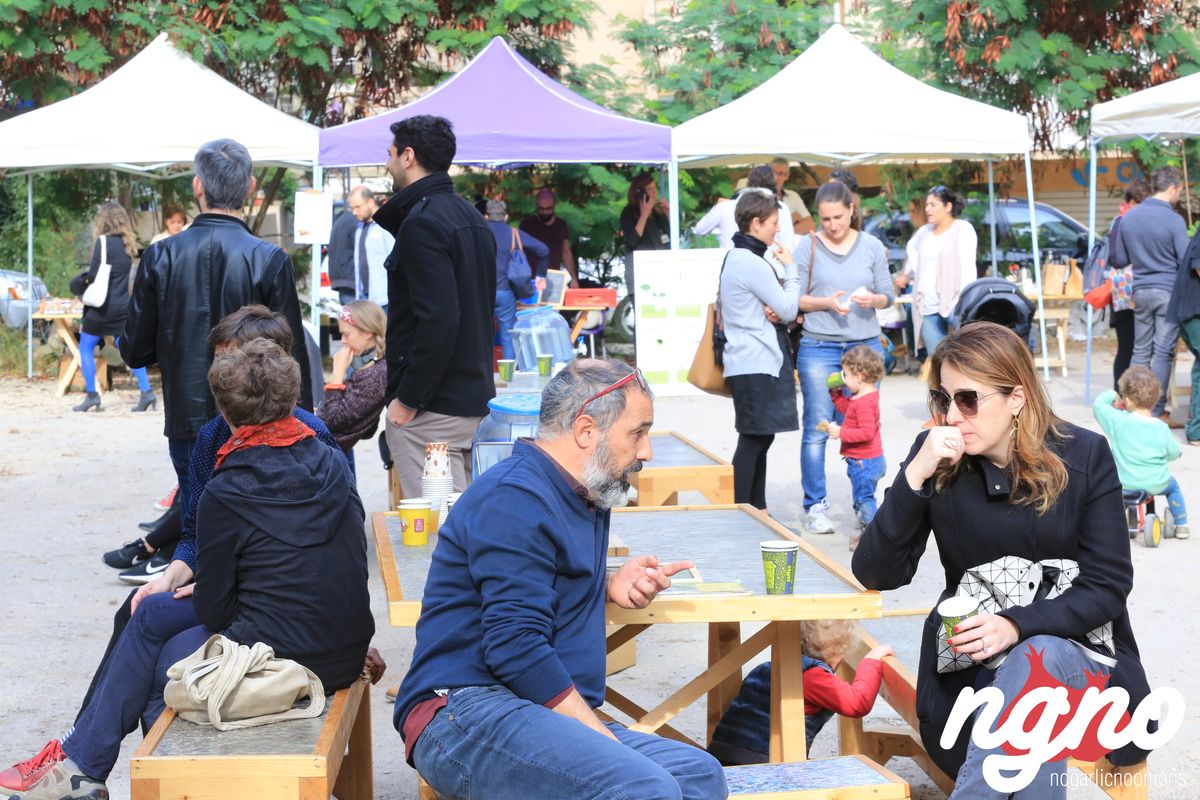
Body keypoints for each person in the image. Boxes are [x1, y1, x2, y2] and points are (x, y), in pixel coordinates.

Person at [0, 339, 378, 800]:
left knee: (163, 664)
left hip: (286, 662)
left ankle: (110, 772)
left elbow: (217, 611)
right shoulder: (332, 462)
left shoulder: (230, 488)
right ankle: (87, 769)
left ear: (225, 412)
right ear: (293, 400)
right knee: (151, 613)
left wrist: (214, 585)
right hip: (341, 641)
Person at [395, 359, 727, 800]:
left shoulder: (584, 490)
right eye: (637, 432)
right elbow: (515, 647)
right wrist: (602, 738)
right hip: (464, 709)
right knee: (645, 786)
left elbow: (534, 577)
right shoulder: (515, 497)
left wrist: (605, 583)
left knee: (700, 774)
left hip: (527, 709)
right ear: (587, 430)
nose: (646, 451)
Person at [852, 321, 1153, 796]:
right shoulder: (935, 458)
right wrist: (915, 474)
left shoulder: (1084, 454)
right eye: (941, 399)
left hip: (1084, 660)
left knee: (1039, 657)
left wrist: (1015, 625)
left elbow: (1108, 584)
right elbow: (875, 571)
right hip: (971, 668)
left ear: (1016, 398)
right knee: (1034, 709)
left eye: (968, 399)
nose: (952, 416)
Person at [89, 306, 351, 704]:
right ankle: (89, 741)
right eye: (219, 360)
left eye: (232, 360)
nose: (222, 373)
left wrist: (210, 585)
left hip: (266, 606)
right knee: (136, 608)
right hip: (229, 593)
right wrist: (172, 575)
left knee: (158, 653)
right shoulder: (211, 437)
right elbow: (194, 531)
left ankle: (105, 752)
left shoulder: (313, 436)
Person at [121, 138, 313, 555]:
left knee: (199, 522)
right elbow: (290, 356)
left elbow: (133, 350)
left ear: (197, 187)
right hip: (257, 417)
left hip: (189, 415)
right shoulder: (267, 257)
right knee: (256, 526)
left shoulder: (160, 256)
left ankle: (203, 604)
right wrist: (307, 424)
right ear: (248, 187)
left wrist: (171, 342)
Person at [375, 115, 496, 500]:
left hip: (434, 409)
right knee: (462, 527)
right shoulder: (468, 217)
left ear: (408, 156)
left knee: (437, 532)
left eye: (391, 154)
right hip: (469, 396)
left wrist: (407, 401)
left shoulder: (424, 222)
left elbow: (440, 320)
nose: (387, 162)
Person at [790, 179, 894, 534]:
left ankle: (863, 503)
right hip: (818, 347)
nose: (832, 225)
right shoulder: (807, 246)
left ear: (852, 209)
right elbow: (795, 300)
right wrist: (826, 303)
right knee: (819, 426)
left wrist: (873, 300)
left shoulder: (872, 246)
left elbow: (889, 296)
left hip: (863, 348)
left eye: (838, 217)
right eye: (825, 219)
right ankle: (815, 505)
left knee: (862, 426)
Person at [708, 619, 894, 765]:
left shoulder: (765, 668)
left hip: (719, 756)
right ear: (840, 655)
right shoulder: (813, 677)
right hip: (763, 762)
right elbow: (857, 703)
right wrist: (872, 660)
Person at [719, 190, 800, 512]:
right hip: (753, 362)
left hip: (749, 361)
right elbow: (788, 309)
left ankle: (757, 508)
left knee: (760, 438)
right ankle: (741, 510)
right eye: (773, 223)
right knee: (753, 440)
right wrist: (791, 269)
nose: (777, 229)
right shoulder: (749, 262)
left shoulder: (738, 257)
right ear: (756, 223)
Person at [1111, 166, 1189, 427]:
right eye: (1179, 190)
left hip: (1140, 291)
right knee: (1163, 352)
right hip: (1168, 292)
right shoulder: (1175, 220)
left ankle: (1133, 407)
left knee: (1140, 349)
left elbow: (1119, 259)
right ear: (1172, 188)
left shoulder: (1129, 218)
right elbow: (1185, 260)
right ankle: (1155, 412)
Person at [69, 201, 154, 414]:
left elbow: (94, 276)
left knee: (85, 348)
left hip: (101, 308)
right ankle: (147, 392)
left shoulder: (103, 243)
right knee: (128, 350)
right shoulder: (128, 245)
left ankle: (92, 396)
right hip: (122, 307)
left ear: (103, 220)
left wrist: (79, 283)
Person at [1094, 366, 1189, 538]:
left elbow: (1099, 405)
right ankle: (1182, 525)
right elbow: (1173, 452)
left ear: (1127, 400)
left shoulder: (1118, 421)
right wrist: (1176, 454)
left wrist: (1114, 395)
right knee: (1173, 488)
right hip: (1156, 482)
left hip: (1124, 483)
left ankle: (1112, 524)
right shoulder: (1160, 427)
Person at [898, 185, 978, 358]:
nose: (927, 209)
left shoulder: (963, 229)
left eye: (933, 205)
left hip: (954, 304)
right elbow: (912, 252)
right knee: (937, 359)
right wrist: (911, 275)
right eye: (927, 205)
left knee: (962, 357)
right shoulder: (923, 232)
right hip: (927, 307)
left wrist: (962, 301)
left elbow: (968, 269)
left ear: (948, 207)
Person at [825, 345, 886, 548]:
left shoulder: (864, 403)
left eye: (846, 375)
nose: (844, 378)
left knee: (864, 501)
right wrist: (835, 392)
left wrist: (841, 432)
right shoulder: (862, 397)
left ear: (859, 375)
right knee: (862, 499)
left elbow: (866, 433)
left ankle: (875, 539)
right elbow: (846, 409)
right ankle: (867, 535)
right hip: (865, 461)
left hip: (864, 463)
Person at [319, 301, 389, 457]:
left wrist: (335, 377)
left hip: (325, 452)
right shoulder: (372, 369)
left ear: (367, 332)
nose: (342, 341)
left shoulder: (375, 376)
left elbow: (328, 422)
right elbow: (367, 430)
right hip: (329, 451)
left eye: (346, 334)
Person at [486, 199, 549, 360]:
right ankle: (508, 378)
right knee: (508, 336)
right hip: (505, 292)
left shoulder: (477, 233)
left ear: (486, 217)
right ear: (506, 217)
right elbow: (543, 250)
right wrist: (540, 276)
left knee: (480, 336)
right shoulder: (513, 233)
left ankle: (482, 380)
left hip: (481, 292)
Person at [693, 165, 797, 256]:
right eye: (774, 223)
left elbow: (699, 229)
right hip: (770, 267)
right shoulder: (781, 208)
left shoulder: (725, 206)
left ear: (749, 182)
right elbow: (788, 247)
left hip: (731, 266)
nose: (777, 228)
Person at [1109, 179, 1151, 390]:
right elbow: (1115, 258)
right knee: (1127, 345)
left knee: (1135, 346)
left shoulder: (1125, 221)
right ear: (1131, 201)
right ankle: (1121, 395)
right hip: (1125, 294)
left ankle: (1134, 394)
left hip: (1134, 291)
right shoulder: (1121, 221)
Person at [619, 172, 671, 297]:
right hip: (640, 275)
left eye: (655, 188)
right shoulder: (628, 212)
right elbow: (632, 240)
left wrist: (668, 213)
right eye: (650, 189)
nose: (654, 192)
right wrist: (644, 215)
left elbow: (671, 236)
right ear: (640, 192)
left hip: (661, 271)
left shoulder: (658, 212)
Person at [519, 187, 579, 288]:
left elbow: (566, 252)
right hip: (531, 279)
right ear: (537, 207)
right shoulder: (527, 224)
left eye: (548, 208)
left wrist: (574, 278)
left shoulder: (561, 225)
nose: (545, 212)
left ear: (554, 206)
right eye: (541, 209)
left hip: (553, 278)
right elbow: (519, 251)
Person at [347, 185, 394, 311]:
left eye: (357, 207)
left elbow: (395, 258)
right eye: (352, 208)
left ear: (371, 202)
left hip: (384, 299)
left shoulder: (385, 225)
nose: (354, 212)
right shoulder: (359, 228)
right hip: (364, 299)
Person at [327, 203, 360, 306]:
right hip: (352, 279)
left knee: (351, 318)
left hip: (341, 279)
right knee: (360, 319)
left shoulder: (339, 221)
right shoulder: (356, 222)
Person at [772, 157, 815, 235]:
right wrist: (790, 219)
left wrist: (783, 232)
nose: (776, 177)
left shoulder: (793, 196)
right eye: (774, 173)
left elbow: (810, 224)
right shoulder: (761, 197)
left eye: (781, 174)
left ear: (787, 176)